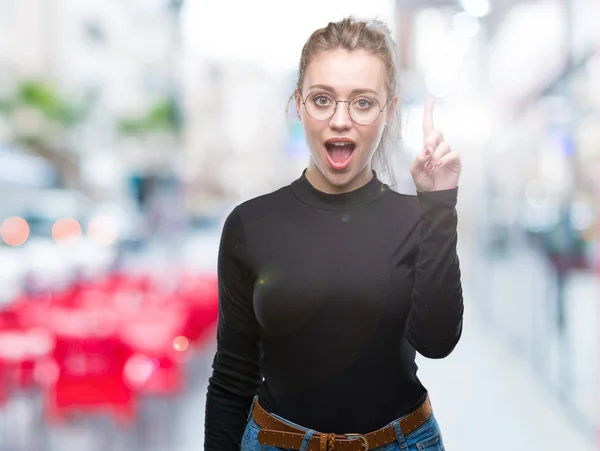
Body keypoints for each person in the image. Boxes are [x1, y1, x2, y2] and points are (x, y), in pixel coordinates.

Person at [204, 16, 463, 451]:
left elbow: (438, 343)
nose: (340, 120)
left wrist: (438, 204)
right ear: (299, 104)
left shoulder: (416, 217)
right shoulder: (250, 224)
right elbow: (232, 376)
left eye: (362, 103)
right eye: (322, 99)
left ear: (389, 110)